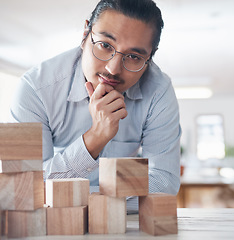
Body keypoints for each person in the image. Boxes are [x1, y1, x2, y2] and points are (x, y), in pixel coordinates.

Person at [10, 0, 181, 212]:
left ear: (150, 57)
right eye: (105, 45)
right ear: (85, 34)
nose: (113, 68)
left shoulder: (159, 90)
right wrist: (95, 138)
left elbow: (165, 182)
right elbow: (23, 188)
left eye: (134, 57)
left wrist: (83, 199)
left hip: (121, 225)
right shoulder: (35, 88)